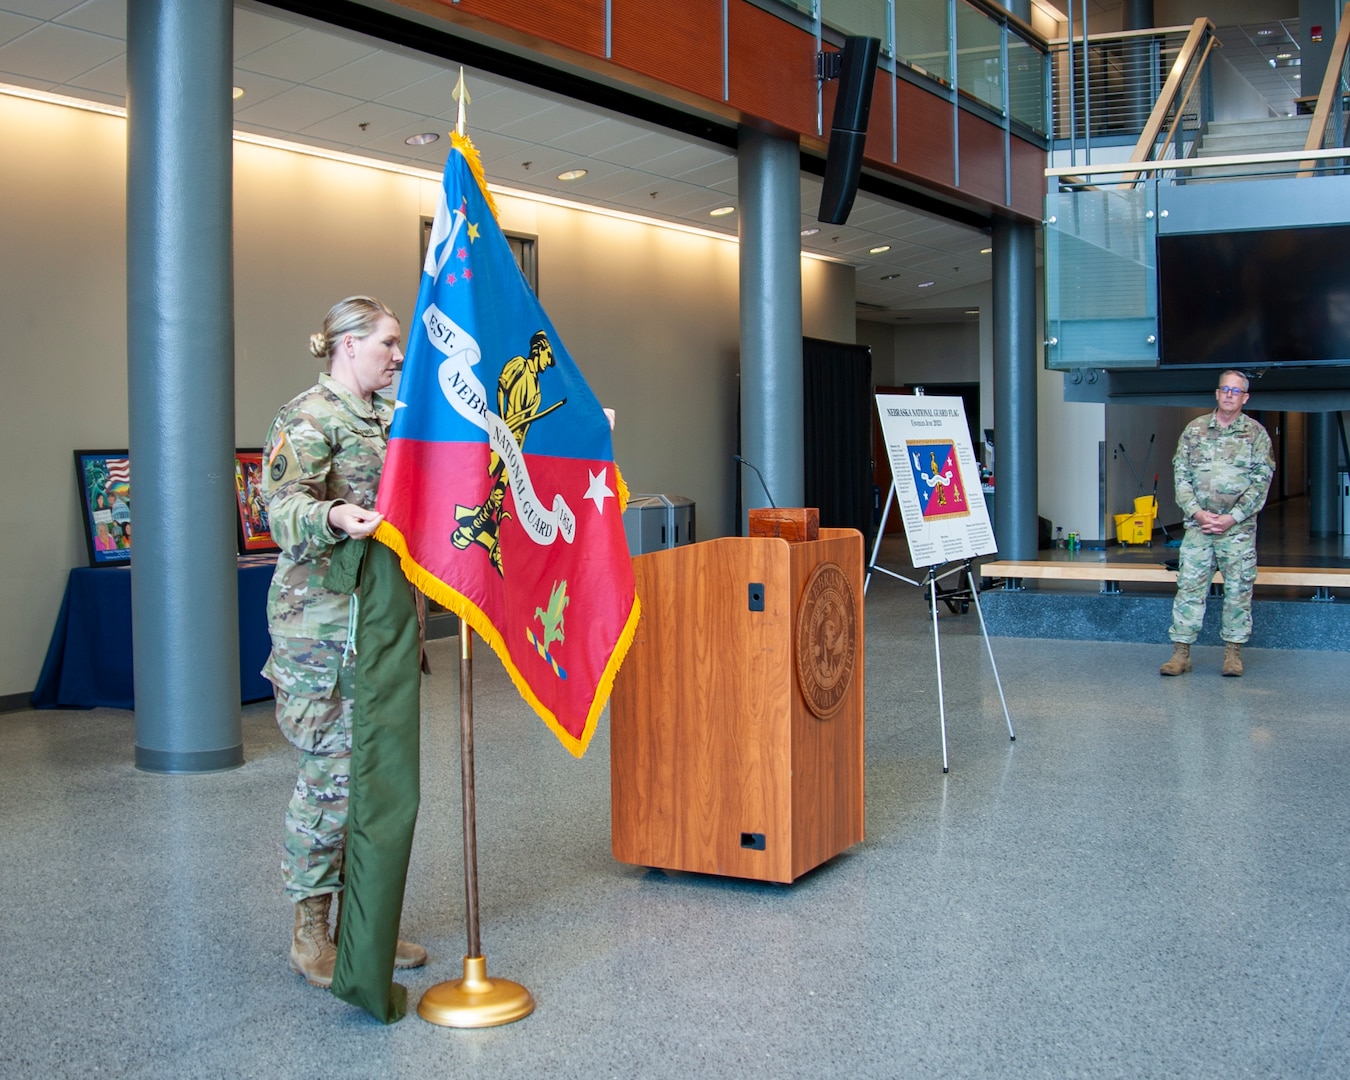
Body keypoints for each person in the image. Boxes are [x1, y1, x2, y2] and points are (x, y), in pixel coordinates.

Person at [260, 295, 426, 988]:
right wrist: (333, 512)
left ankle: (365, 927)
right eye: (387, 342)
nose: (396, 355)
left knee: (373, 779)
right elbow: (282, 508)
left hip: (378, 627)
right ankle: (311, 936)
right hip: (321, 633)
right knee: (330, 785)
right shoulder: (308, 416)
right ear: (347, 343)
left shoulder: (391, 418)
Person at [1160, 370, 1275, 678]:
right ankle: (1181, 653)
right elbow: (1181, 476)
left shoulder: (1256, 434)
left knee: (1238, 589)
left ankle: (1233, 655)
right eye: (1224, 389)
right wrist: (1197, 512)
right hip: (1199, 527)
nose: (1229, 395)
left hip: (1236, 530)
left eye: (1235, 391)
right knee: (1189, 588)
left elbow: (1261, 483)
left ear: (1244, 398)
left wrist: (1231, 518)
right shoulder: (1194, 430)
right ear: (1216, 393)